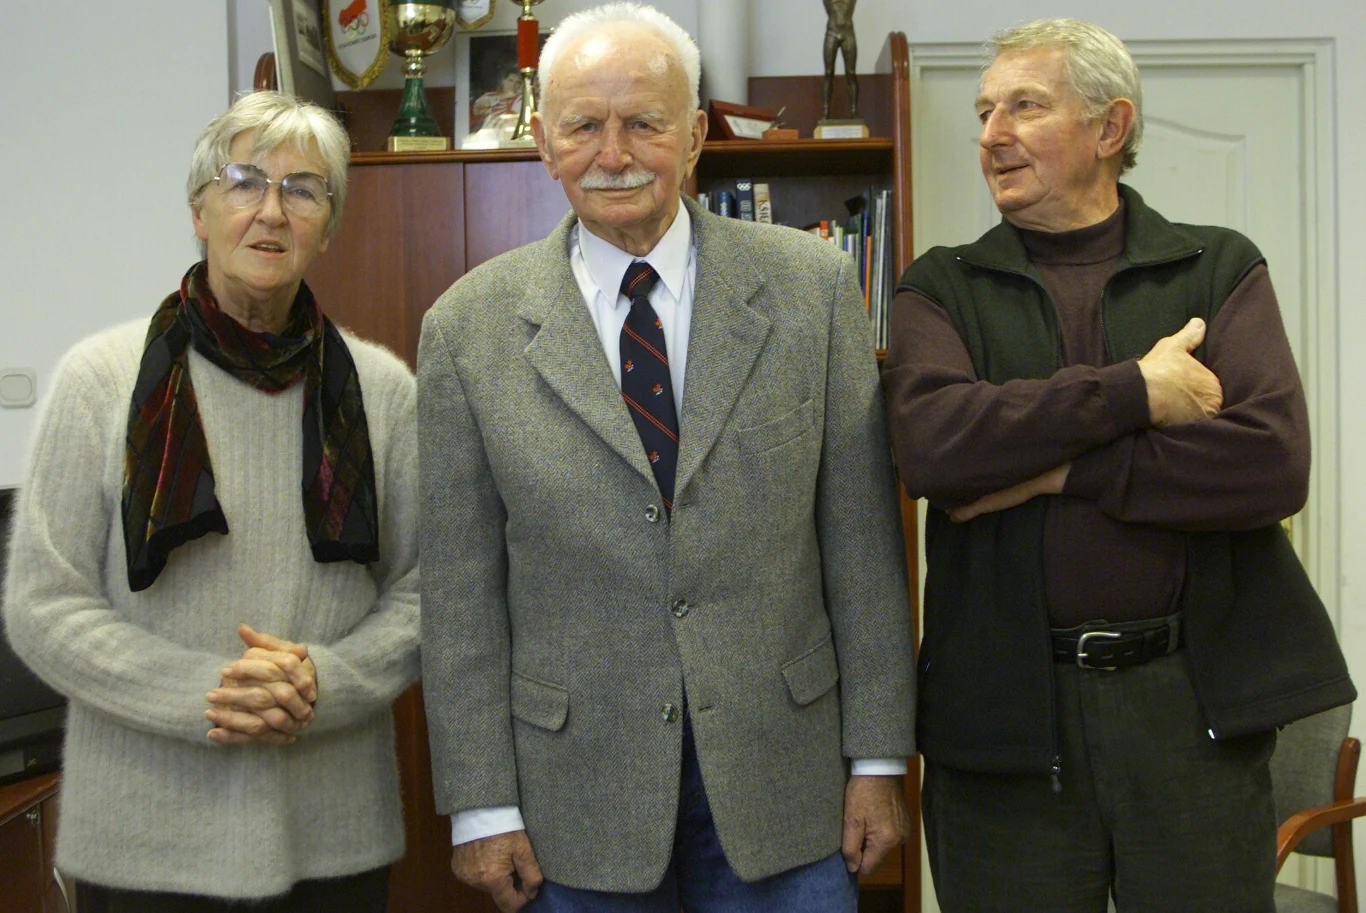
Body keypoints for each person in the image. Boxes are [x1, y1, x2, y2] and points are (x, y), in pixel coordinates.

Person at [416, 3, 915, 911]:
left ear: (693, 138)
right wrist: (479, 805)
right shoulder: (466, 328)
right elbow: (458, 594)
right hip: (574, 794)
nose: (615, 153)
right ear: (544, 142)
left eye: (645, 123)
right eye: (584, 127)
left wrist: (879, 757)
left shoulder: (814, 292)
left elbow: (863, 546)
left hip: (787, 784)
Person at [882, 18, 1354, 913]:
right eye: (985, 111)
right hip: (1004, 727)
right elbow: (935, 446)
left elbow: (1269, 464)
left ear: (1110, 128)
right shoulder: (938, 286)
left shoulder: (1215, 267)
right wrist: (1136, 390)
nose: (991, 133)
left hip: (1194, 714)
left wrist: (1060, 472)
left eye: (1025, 105)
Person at [1, 91, 421, 913]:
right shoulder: (99, 382)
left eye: (303, 189)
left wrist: (320, 683)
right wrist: (211, 692)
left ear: (328, 225)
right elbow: (42, 606)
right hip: (144, 841)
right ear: (199, 209)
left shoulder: (386, 393)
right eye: (244, 182)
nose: (272, 210)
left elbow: (427, 593)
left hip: (333, 836)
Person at [822, 0, 858, 119]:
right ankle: (826, 111)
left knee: (851, 73)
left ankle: (854, 110)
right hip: (832, 32)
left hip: (848, 32)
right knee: (828, 72)